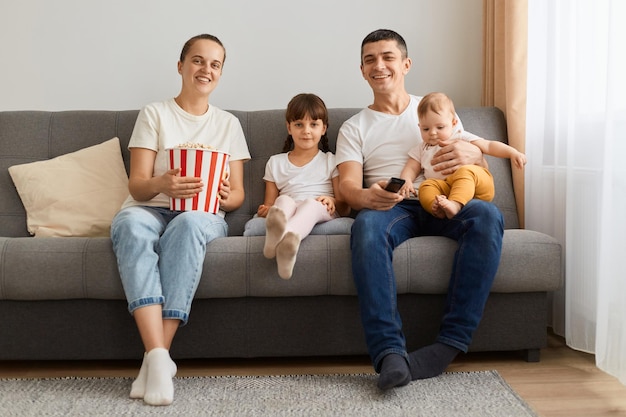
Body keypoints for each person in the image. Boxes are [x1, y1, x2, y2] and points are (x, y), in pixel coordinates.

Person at [335, 29, 504, 390]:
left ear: (405, 64)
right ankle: (389, 354)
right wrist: (371, 196)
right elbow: (346, 189)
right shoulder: (354, 127)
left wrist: (475, 155)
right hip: (395, 207)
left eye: (387, 57)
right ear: (362, 70)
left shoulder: (433, 109)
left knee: (488, 216)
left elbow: (479, 169)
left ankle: (448, 346)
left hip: (448, 197)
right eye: (369, 60)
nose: (378, 65)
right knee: (365, 226)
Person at [110, 34, 250, 406]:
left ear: (220, 73)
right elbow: (138, 187)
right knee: (128, 225)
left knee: (188, 223)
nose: (206, 69)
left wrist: (224, 195)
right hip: (149, 208)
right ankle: (159, 358)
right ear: (181, 65)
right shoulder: (154, 113)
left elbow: (237, 196)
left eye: (215, 64)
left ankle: (155, 356)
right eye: (198, 61)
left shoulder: (228, 124)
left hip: (202, 214)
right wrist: (162, 182)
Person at [256, 93, 350, 279]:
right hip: (288, 207)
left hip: (320, 208)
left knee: (310, 204)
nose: (306, 130)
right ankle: (281, 241)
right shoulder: (275, 162)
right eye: (299, 124)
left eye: (313, 124)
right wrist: (266, 210)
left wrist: (331, 200)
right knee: (283, 200)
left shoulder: (331, 161)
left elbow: (345, 207)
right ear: (289, 128)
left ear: (324, 128)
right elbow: (270, 203)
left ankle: (288, 236)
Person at [399, 92, 527, 219]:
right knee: (426, 186)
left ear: (454, 123)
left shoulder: (460, 136)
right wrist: (407, 181)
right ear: (419, 127)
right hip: (447, 188)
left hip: (476, 184)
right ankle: (437, 207)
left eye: (440, 127)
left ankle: (455, 204)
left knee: (465, 172)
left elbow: (488, 146)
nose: (432, 133)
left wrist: (512, 153)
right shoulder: (422, 148)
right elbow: (411, 167)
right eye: (426, 129)